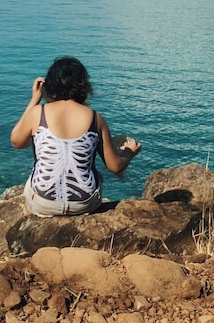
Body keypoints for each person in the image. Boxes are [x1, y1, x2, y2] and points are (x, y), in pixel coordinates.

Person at [10, 57, 141, 216]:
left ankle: (31, 218)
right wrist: (129, 152)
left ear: (50, 86)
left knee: (29, 189)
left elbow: (17, 142)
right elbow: (115, 166)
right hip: (84, 204)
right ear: (84, 87)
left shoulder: (38, 113)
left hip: (44, 203)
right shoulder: (95, 118)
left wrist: (34, 100)